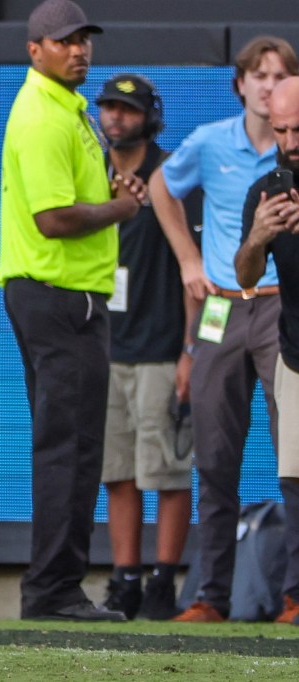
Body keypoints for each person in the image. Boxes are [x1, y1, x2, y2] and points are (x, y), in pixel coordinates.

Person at [0, 0, 146, 622]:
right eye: (64, 41)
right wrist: (122, 209)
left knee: (77, 446)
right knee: (69, 447)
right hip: (58, 297)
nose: (79, 49)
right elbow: (53, 220)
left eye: (83, 39)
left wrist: (111, 194)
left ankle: (57, 586)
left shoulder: (69, 108)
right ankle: (52, 590)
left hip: (65, 297)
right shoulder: (43, 116)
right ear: (35, 50)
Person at [149, 36, 299, 623]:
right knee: (212, 451)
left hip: (282, 302)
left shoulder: (289, 150)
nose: (267, 85)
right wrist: (188, 259)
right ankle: (210, 594)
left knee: (293, 455)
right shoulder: (212, 141)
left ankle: (294, 592)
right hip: (222, 303)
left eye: (278, 74)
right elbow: (163, 186)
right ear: (240, 85)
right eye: (257, 75)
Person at [94, 74, 196, 621]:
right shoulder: (93, 172)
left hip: (160, 345)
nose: (116, 117)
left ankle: (164, 581)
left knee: (169, 470)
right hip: (107, 345)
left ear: (148, 116)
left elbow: (192, 269)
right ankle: (124, 578)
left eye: (127, 109)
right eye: (109, 107)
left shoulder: (172, 174)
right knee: (118, 471)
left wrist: (189, 348)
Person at [234, 75, 299, 626]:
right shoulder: (267, 188)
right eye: (280, 130)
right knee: (296, 479)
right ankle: (296, 595)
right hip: (295, 352)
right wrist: (257, 236)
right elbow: (247, 278)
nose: (290, 140)